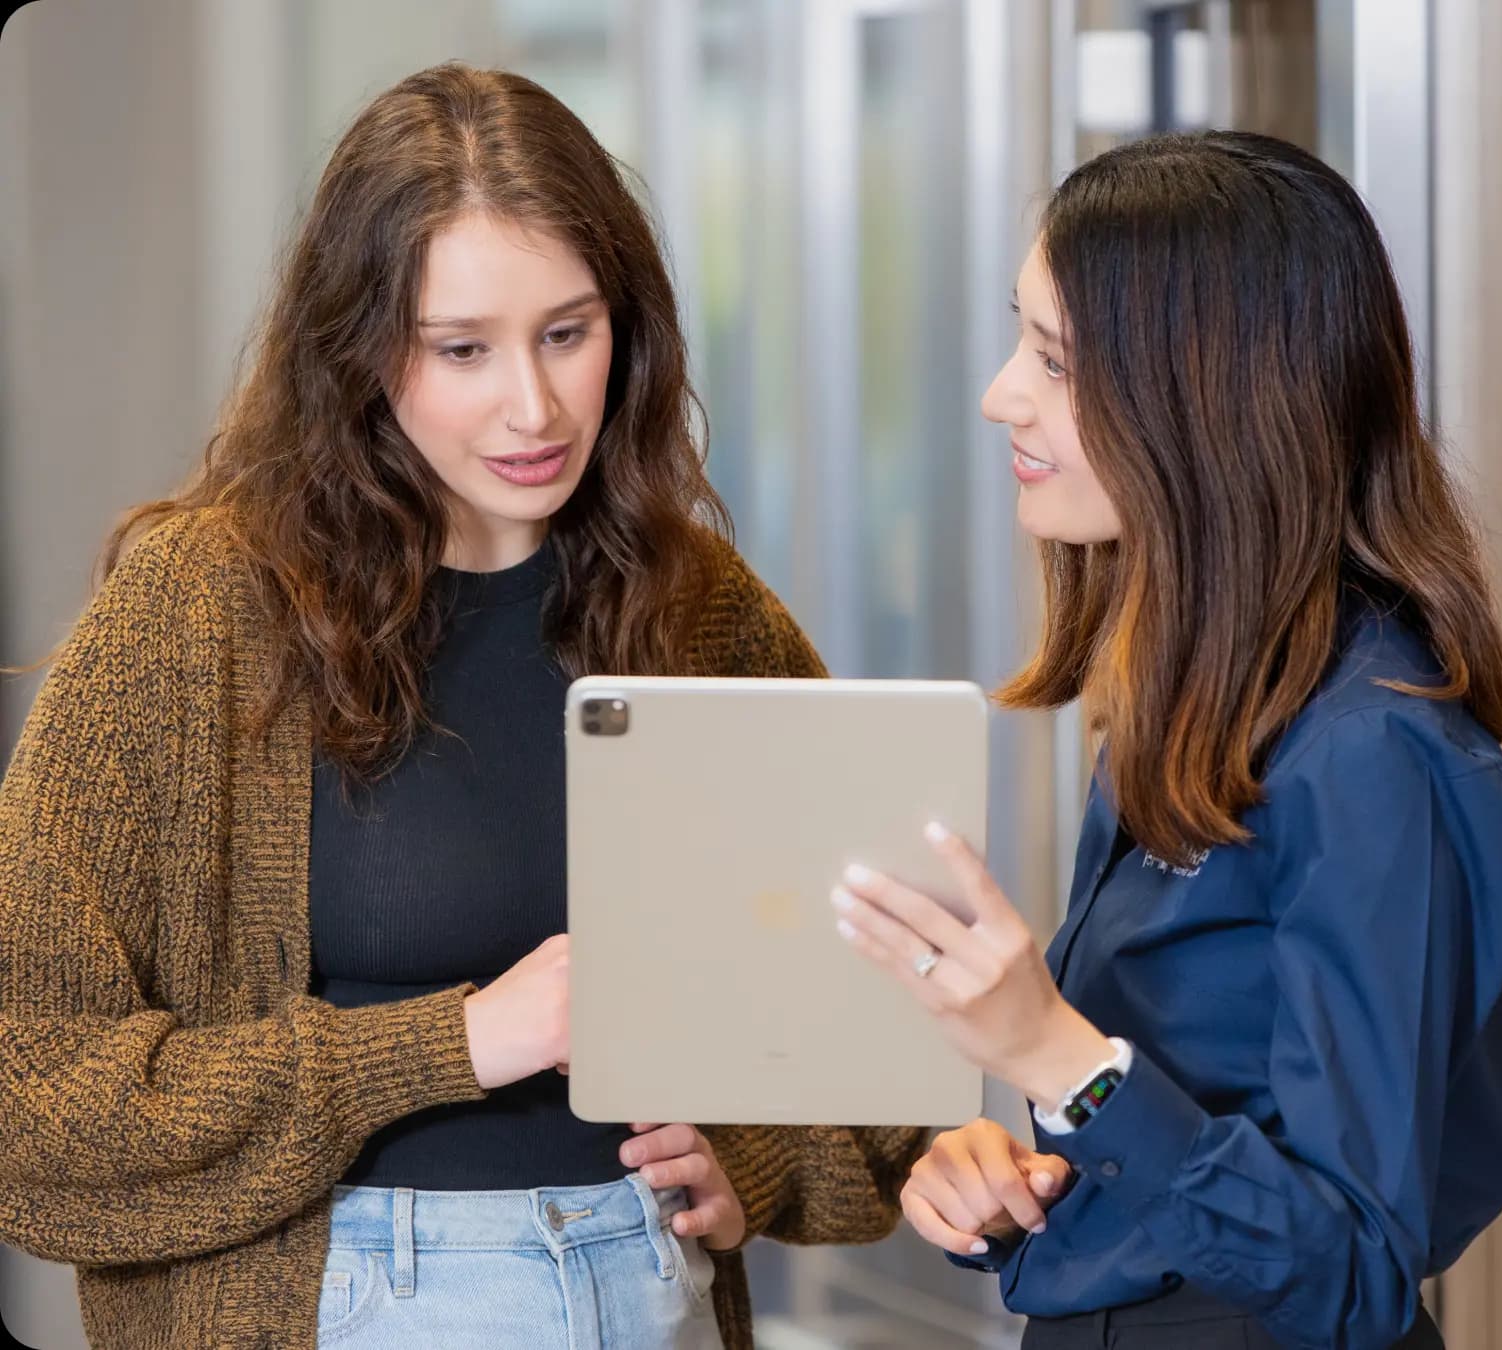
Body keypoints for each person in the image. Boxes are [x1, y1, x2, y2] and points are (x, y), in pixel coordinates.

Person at [0, 63, 922, 1350]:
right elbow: (32, 1112)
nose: (533, 408)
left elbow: (874, 1041)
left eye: (567, 331)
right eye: (462, 350)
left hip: (644, 1283)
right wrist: (462, 1038)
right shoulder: (196, 613)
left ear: (630, 326)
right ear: (362, 351)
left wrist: (755, 1158)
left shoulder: (699, 612)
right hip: (342, 1303)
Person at [833, 131, 1502, 1350]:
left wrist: (1059, 1057)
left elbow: (1351, 1280)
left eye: (1055, 361)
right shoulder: (1190, 708)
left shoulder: (1371, 756)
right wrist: (1012, 1177)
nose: (1000, 391)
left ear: (1206, 399)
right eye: (1022, 336)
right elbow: (1167, 1143)